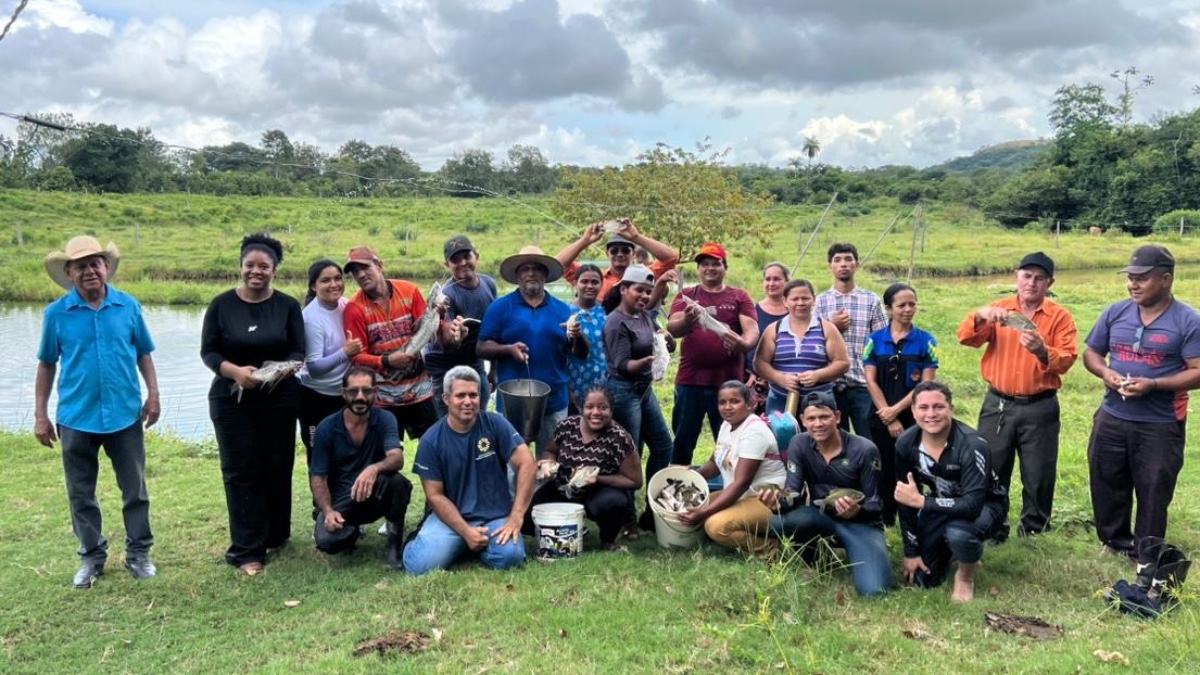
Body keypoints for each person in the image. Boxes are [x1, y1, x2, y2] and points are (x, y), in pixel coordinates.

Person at [35, 235, 161, 589]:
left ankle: (139, 552)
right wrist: (40, 415)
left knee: (134, 487)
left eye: (96, 263)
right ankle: (92, 556)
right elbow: (46, 365)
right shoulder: (56, 314)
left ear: (106, 267)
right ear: (69, 272)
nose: (90, 270)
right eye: (81, 266)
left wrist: (153, 394)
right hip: (76, 415)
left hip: (125, 413)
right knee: (80, 491)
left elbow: (144, 354)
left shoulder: (128, 306)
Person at [1083, 244, 1200, 561]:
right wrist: (1106, 373)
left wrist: (1155, 385)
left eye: (1142, 278)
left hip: (1160, 422)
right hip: (1112, 414)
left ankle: (1146, 552)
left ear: (1165, 279)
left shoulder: (1188, 320)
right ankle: (1114, 542)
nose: (1132, 284)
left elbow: (1198, 371)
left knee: (1153, 488)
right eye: (1130, 277)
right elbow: (1091, 353)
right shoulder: (1115, 312)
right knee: (1106, 478)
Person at [201, 233, 305, 575]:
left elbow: (297, 352)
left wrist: (274, 372)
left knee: (277, 465)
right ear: (241, 267)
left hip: (279, 397)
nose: (256, 272)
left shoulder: (288, 306)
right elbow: (210, 352)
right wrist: (235, 373)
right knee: (241, 471)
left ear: (275, 269)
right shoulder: (221, 305)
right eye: (250, 265)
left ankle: (276, 534)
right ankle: (248, 550)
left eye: (264, 266)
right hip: (233, 400)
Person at [956, 252, 1077, 539]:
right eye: (1027, 276)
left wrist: (1042, 351)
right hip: (997, 403)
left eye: (1039, 278)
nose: (1032, 283)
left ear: (1050, 282)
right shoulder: (1000, 310)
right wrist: (979, 315)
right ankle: (993, 526)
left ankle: (1034, 528)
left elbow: (1068, 358)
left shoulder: (1059, 317)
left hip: (1039, 405)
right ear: (1016, 276)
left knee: (1039, 471)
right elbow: (966, 338)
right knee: (991, 466)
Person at [403, 367, 536, 574]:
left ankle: (469, 546)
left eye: (473, 395)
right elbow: (434, 495)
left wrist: (516, 517)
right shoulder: (431, 440)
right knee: (419, 567)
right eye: (460, 395)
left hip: (494, 517)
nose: (468, 401)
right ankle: (424, 539)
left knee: (511, 558)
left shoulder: (496, 424)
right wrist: (465, 531)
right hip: (451, 520)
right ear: (446, 399)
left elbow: (527, 463)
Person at [764, 391, 890, 597]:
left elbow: (877, 505)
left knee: (874, 591)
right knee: (778, 521)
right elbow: (793, 492)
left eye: (824, 417)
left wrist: (857, 510)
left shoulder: (865, 449)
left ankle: (863, 554)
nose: (818, 424)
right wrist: (778, 503)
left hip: (861, 524)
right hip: (820, 515)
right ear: (803, 420)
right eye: (811, 418)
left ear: (837, 417)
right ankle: (817, 559)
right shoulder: (799, 443)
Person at [894, 381, 1007, 603]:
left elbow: (972, 505)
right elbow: (905, 498)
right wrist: (911, 551)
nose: (931, 414)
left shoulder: (973, 444)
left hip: (985, 505)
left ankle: (965, 575)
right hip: (941, 502)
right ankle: (953, 551)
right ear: (913, 411)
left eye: (939, 407)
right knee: (922, 580)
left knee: (959, 533)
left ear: (951, 410)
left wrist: (923, 502)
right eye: (923, 408)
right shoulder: (906, 443)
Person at [343, 245, 460, 443]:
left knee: (435, 449)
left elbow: (430, 328)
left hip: (420, 392)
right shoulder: (354, 309)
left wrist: (443, 319)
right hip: (382, 399)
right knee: (387, 458)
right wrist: (388, 361)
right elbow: (356, 358)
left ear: (379, 265)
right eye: (355, 271)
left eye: (365, 267)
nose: (360, 274)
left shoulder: (409, 290)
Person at [478, 246, 587, 451]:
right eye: (525, 269)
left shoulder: (563, 310)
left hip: (554, 399)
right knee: (514, 464)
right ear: (517, 275)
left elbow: (580, 353)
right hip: (513, 402)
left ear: (545, 274)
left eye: (537, 268)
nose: (531, 273)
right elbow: (482, 347)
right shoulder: (500, 307)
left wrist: (578, 335)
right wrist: (508, 349)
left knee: (550, 463)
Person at [309, 367, 412, 569]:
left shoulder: (385, 419)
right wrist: (328, 511)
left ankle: (394, 543)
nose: (360, 397)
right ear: (343, 393)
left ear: (375, 392)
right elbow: (318, 477)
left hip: (375, 493)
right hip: (342, 498)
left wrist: (373, 469)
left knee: (397, 482)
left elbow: (397, 458)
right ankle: (351, 530)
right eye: (353, 391)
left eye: (366, 391)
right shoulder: (326, 428)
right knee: (328, 542)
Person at [667, 243, 760, 465]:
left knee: (730, 437)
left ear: (724, 267)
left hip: (728, 384)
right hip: (690, 381)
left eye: (716, 263)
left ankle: (729, 485)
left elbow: (752, 331)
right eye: (705, 264)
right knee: (683, 438)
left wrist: (742, 343)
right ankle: (677, 482)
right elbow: (673, 327)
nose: (710, 268)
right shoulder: (686, 295)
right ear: (698, 269)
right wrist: (688, 320)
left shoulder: (739, 296)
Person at [526, 385, 643, 550]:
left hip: (599, 491)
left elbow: (635, 480)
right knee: (527, 519)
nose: (596, 412)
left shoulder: (620, 438)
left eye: (603, 407)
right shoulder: (567, 426)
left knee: (614, 503)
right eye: (590, 407)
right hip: (564, 486)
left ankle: (608, 540)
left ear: (611, 410)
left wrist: (598, 479)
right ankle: (574, 528)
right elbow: (549, 451)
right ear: (582, 408)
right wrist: (547, 464)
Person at [678, 381, 785, 556]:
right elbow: (715, 462)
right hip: (741, 494)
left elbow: (742, 483)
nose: (727, 407)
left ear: (750, 404)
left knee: (715, 525)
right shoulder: (727, 425)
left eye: (735, 401)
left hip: (765, 500)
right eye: (722, 402)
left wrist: (704, 513)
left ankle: (772, 550)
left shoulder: (754, 431)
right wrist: (692, 477)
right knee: (690, 504)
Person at [863, 283, 939, 525]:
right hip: (880, 416)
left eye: (912, 304)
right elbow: (870, 380)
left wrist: (896, 412)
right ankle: (885, 517)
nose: (908, 309)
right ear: (889, 309)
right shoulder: (874, 340)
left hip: (913, 417)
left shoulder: (927, 341)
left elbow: (924, 385)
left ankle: (913, 514)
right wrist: (888, 415)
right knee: (882, 465)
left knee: (911, 465)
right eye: (901, 305)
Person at [815, 243, 887, 437]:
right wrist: (831, 326)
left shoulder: (871, 300)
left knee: (870, 438)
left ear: (857, 264)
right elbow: (810, 341)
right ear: (830, 266)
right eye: (837, 260)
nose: (843, 264)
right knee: (834, 439)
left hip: (863, 383)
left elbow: (883, 341)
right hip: (829, 384)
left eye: (848, 259)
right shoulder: (820, 301)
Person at [298, 259, 362, 464]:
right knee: (319, 455)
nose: (334, 284)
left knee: (348, 452)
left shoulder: (345, 305)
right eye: (325, 280)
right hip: (316, 398)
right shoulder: (311, 319)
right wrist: (345, 353)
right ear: (313, 286)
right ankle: (321, 497)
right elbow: (314, 367)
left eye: (337, 278)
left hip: (343, 395)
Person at [755, 279, 849, 418]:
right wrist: (779, 378)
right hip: (780, 399)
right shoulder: (774, 329)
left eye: (805, 298)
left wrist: (818, 375)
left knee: (818, 438)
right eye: (795, 299)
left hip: (819, 401)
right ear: (785, 301)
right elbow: (760, 363)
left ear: (814, 300)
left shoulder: (826, 328)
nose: (800, 303)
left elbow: (842, 362)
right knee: (781, 437)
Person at [427, 235, 498, 417]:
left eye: (467, 256)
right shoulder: (446, 295)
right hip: (444, 368)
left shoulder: (489, 284)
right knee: (448, 426)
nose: (463, 263)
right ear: (447, 265)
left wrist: (494, 371)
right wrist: (455, 335)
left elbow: (494, 331)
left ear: (477, 256)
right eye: (455, 260)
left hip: (475, 363)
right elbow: (448, 340)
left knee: (478, 420)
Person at [556, 218, 680, 300]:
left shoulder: (646, 275)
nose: (619, 254)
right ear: (607, 254)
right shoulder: (593, 279)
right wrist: (585, 241)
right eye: (614, 251)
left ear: (633, 254)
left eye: (625, 250)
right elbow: (559, 264)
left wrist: (636, 237)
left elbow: (670, 258)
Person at [566, 264, 608, 412]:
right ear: (575, 283)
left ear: (601, 285)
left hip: (605, 382)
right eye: (584, 281)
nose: (589, 286)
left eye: (595, 282)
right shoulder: (565, 312)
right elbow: (558, 354)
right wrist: (566, 389)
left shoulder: (607, 311)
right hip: (575, 383)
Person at [750, 262, 791, 370]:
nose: (771, 283)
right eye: (768, 279)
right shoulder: (752, 311)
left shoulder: (796, 311)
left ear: (787, 282)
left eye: (777, 279)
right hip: (756, 377)